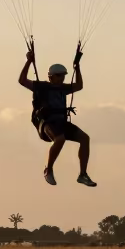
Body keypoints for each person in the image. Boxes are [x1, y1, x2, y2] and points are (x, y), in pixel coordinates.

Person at [19, 47, 96, 187]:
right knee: (59, 139)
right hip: (47, 123)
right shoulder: (41, 87)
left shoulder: (63, 88)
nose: (62, 78)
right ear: (51, 76)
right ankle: (48, 169)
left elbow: (79, 86)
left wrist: (77, 67)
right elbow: (22, 80)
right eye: (59, 76)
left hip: (61, 122)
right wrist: (28, 61)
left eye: (63, 76)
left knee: (85, 138)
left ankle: (83, 174)